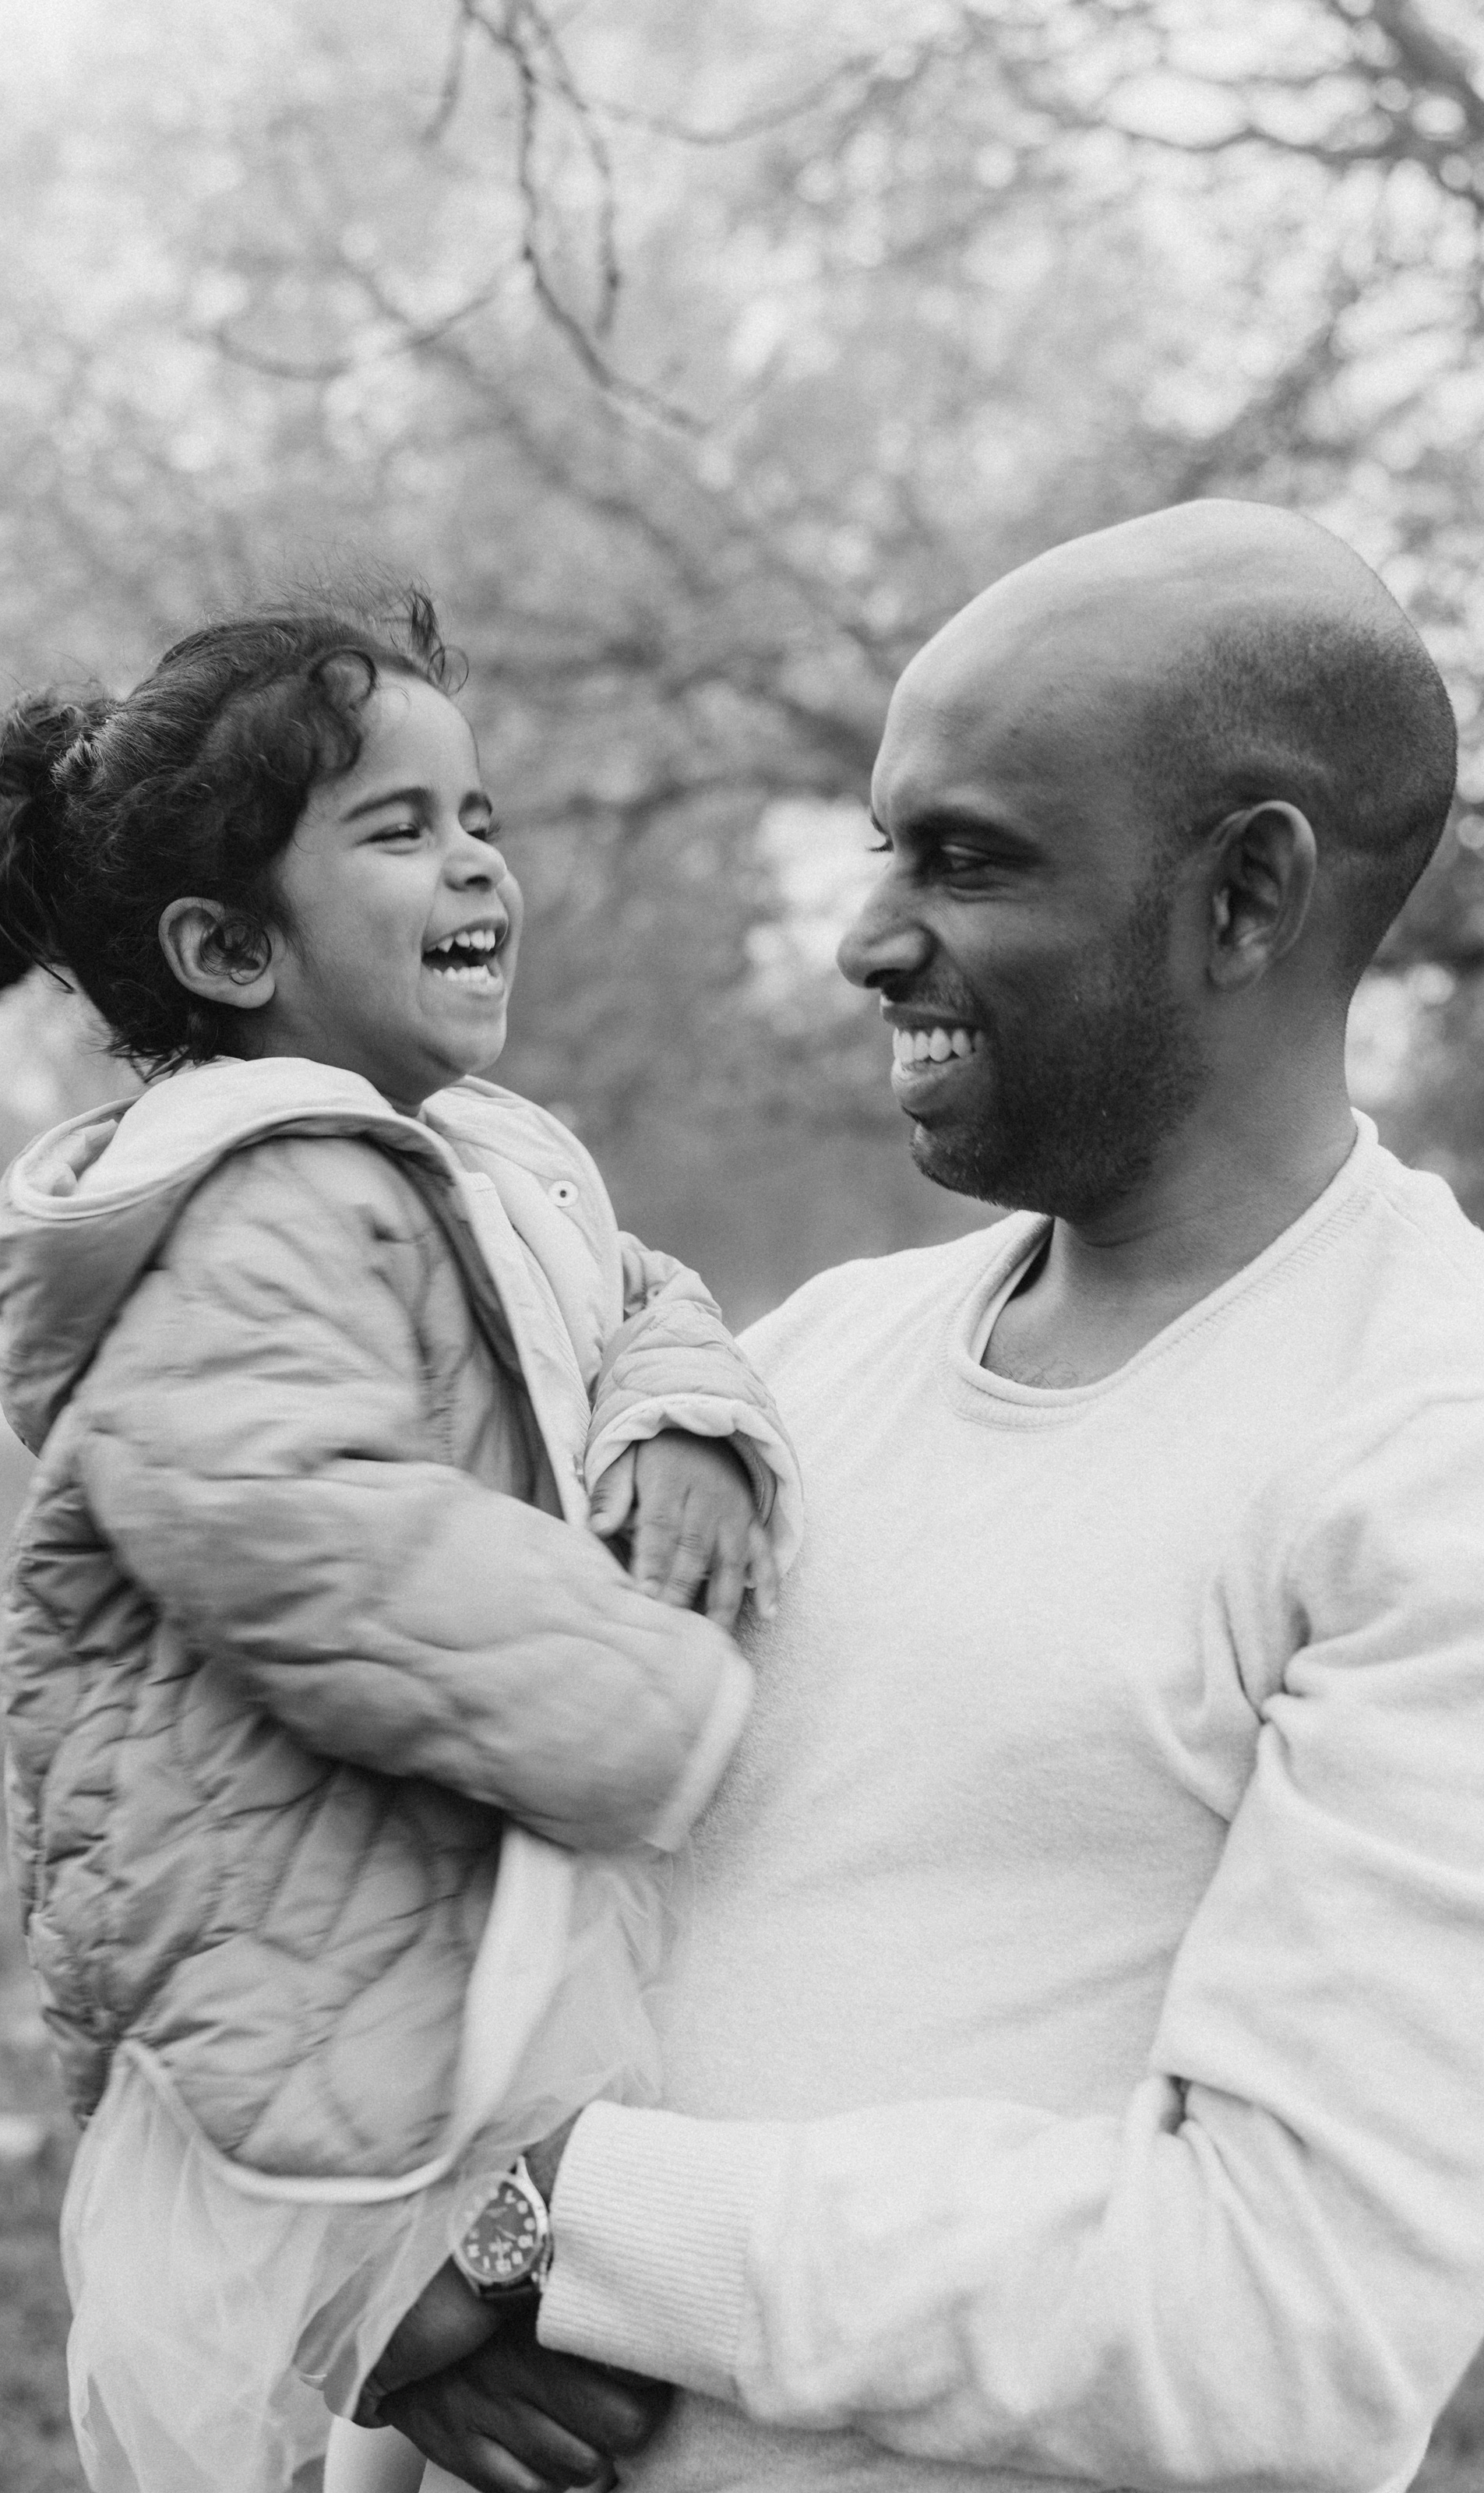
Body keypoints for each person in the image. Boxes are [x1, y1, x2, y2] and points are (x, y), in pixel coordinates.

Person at [369, 499, 1484, 2493]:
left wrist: (545, 2226)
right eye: (884, 844)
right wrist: (383, 2277)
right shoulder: (795, 1370)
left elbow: (1283, 2321)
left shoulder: (1425, 1444)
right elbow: (450, 1890)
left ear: (1244, 896)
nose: (866, 935)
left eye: (966, 860)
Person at [0, 593, 801, 2493]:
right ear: (228, 946)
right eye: (396, 829)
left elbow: (630, 1287)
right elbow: (272, 1509)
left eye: (476, 813)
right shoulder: (271, 1185)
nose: (472, 855)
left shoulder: (494, 1151)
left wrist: (690, 1412)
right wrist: (657, 1706)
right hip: (292, 1968)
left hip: (460, 1935)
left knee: (543, 2403)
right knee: (392, 2415)